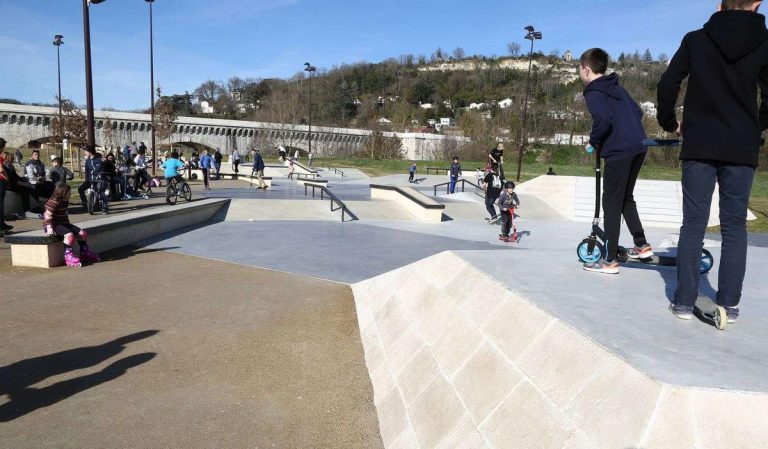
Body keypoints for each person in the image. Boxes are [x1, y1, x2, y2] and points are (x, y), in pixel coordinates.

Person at [657, 0, 767, 322]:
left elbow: (667, 84)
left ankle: (683, 301)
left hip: (700, 143)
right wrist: (754, 126)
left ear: (720, 4)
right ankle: (729, 304)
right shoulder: (765, 41)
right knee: (734, 225)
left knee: (694, 223)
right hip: (740, 147)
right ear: (757, 4)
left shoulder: (696, 39)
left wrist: (668, 122)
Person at [579, 48, 651, 275]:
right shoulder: (616, 86)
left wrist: (593, 141)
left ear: (586, 69)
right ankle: (641, 245)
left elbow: (602, 119)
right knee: (625, 198)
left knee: (610, 204)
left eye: (580, 69)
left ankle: (609, 260)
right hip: (639, 145)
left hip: (619, 151)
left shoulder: (593, 91)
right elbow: (638, 112)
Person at [43, 182, 100, 267]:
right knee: (70, 236)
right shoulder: (53, 201)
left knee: (83, 234)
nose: (70, 194)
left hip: (64, 223)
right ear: (62, 193)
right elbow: (47, 215)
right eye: (69, 193)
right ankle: (68, 256)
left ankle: (84, 252)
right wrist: (50, 229)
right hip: (54, 225)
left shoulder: (65, 201)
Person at [0, 141, 13, 233]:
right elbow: (1, 170)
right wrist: (6, 177)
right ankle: (1, 225)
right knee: (0, 204)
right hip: (1, 181)